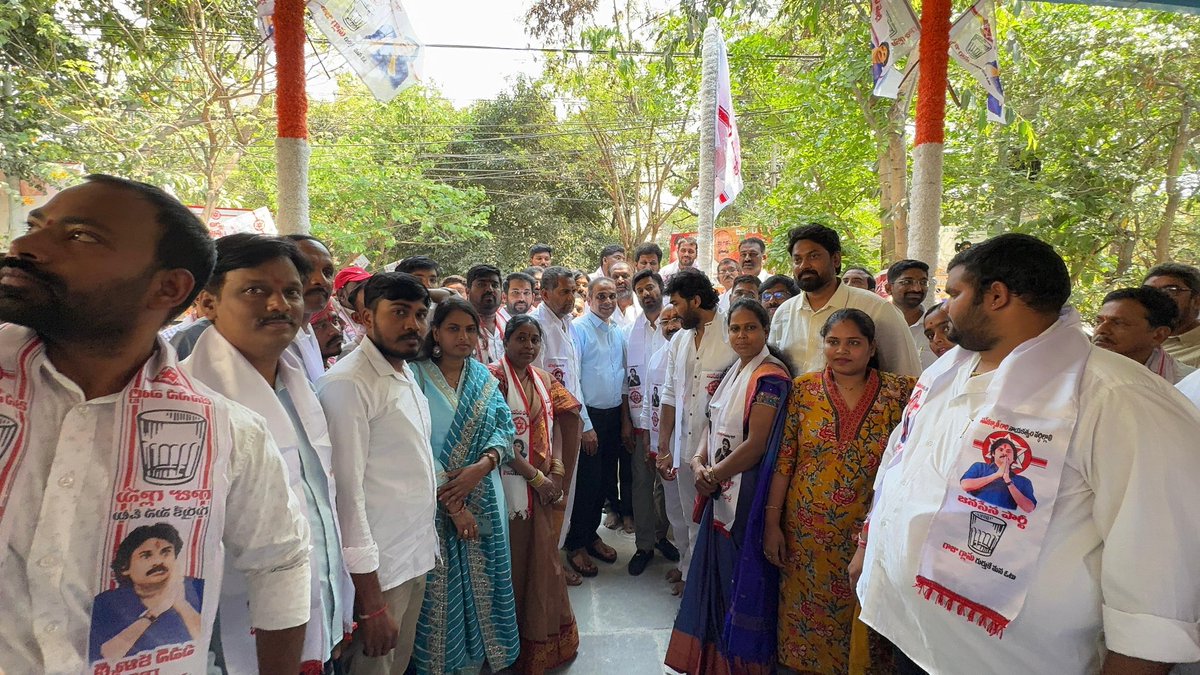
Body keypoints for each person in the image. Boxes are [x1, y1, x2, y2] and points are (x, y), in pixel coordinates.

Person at [0, 174, 311, 674]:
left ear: (169, 287)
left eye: (80, 235)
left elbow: (281, 564)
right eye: (35, 225)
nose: (24, 245)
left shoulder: (224, 428)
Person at [856, 233, 1200, 674]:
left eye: (955, 293)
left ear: (996, 296)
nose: (945, 308)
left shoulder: (1117, 398)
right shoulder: (948, 369)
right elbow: (900, 463)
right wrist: (871, 550)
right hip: (913, 637)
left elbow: (1158, 574)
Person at [183, 233, 354, 672]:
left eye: (290, 292)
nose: (279, 305)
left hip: (317, 608)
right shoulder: (186, 400)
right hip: (232, 634)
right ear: (207, 303)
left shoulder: (299, 383)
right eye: (255, 291)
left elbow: (322, 502)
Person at [760, 308, 917, 673]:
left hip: (868, 532)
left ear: (872, 346)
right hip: (805, 532)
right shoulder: (803, 390)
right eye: (833, 342)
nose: (842, 350)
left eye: (853, 343)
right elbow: (785, 461)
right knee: (804, 619)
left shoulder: (901, 393)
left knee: (865, 621)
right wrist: (772, 524)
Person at [317, 272, 437, 675]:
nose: (413, 325)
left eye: (420, 314)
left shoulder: (403, 374)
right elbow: (345, 497)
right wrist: (370, 602)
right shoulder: (348, 384)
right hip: (378, 574)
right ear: (366, 317)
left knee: (396, 666)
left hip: (412, 555)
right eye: (399, 312)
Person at [664, 300, 793, 675]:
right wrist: (700, 462)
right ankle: (714, 659)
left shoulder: (770, 377)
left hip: (747, 492)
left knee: (739, 575)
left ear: (766, 332)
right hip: (719, 484)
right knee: (717, 572)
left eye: (750, 328)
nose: (741, 335)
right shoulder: (733, 371)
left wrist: (713, 473)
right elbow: (711, 420)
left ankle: (739, 663)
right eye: (735, 329)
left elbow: (756, 443)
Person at [409, 297, 519, 675]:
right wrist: (453, 498)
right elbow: (415, 443)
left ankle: (483, 656)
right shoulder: (415, 376)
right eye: (454, 328)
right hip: (435, 500)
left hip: (486, 494)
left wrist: (483, 465)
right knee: (441, 587)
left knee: (486, 576)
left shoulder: (484, 378)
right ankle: (445, 662)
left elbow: (506, 427)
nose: (464, 337)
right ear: (435, 332)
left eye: (470, 329)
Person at [489, 314, 584, 674]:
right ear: (506, 341)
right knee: (512, 566)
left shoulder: (543, 379)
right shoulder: (491, 379)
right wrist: (536, 479)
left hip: (541, 490)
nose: (528, 347)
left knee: (544, 564)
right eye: (521, 339)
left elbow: (567, 416)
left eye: (534, 340)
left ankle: (542, 643)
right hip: (504, 493)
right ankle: (508, 647)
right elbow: (495, 437)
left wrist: (556, 472)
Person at [655, 269, 738, 584]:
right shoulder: (680, 339)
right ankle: (693, 583)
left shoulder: (732, 332)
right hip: (685, 449)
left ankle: (716, 586)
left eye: (677, 304)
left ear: (696, 300)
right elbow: (670, 395)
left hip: (722, 451)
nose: (673, 313)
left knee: (722, 521)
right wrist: (664, 448)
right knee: (691, 518)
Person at [769, 224, 920, 376]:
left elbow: (906, 376)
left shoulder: (876, 309)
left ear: (835, 259)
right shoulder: (784, 312)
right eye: (797, 259)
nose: (804, 265)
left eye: (813, 256)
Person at [528, 266, 591, 584]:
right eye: (564, 292)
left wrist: (585, 423)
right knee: (549, 493)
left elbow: (574, 381)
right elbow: (536, 384)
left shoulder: (568, 324)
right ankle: (546, 561)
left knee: (567, 492)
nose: (572, 297)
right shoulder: (535, 327)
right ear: (545, 293)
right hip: (546, 429)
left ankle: (555, 553)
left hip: (571, 423)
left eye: (574, 291)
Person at [564, 276, 629, 575]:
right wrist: (585, 425)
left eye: (611, 296)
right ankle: (575, 544)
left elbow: (624, 378)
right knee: (586, 485)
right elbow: (572, 380)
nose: (606, 302)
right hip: (589, 417)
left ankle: (591, 535)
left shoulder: (618, 331)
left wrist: (624, 421)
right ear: (588, 299)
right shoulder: (578, 331)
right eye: (600, 296)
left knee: (604, 482)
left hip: (613, 417)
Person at [625, 270, 680, 576]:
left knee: (668, 486)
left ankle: (662, 537)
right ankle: (644, 544)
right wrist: (628, 423)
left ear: (661, 289)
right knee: (643, 485)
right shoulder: (631, 329)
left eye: (650, 287)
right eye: (640, 290)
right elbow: (628, 380)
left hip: (672, 424)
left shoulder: (676, 323)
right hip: (640, 421)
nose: (646, 294)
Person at [89, 523, 204, 663]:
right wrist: (154, 613)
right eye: (146, 556)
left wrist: (181, 603)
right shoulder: (107, 602)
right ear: (125, 567)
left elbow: (204, 646)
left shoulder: (196, 587)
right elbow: (104, 658)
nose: (158, 561)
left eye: (166, 552)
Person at [1093, 286, 1194, 383]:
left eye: (1118, 323)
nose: (1101, 329)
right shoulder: (1081, 367)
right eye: (1099, 321)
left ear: (1158, 335)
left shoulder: (1185, 385)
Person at [284, 234, 337, 382]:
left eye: (327, 272)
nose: (321, 280)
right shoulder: (273, 344)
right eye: (306, 270)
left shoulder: (306, 332)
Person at [1143, 263, 1200, 368]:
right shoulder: (1131, 337)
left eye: (1171, 290)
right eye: (1148, 291)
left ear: (1196, 301)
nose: (1156, 298)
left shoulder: (1196, 352)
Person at [885, 259, 937, 369]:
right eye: (907, 282)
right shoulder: (878, 324)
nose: (917, 289)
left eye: (923, 282)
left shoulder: (938, 327)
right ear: (889, 288)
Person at [466, 264, 505, 365]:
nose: (489, 289)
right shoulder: (458, 325)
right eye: (481, 284)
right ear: (467, 291)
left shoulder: (509, 324)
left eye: (495, 285)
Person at [334, 266, 372, 348]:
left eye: (368, 284)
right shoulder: (335, 319)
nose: (367, 290)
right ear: (341, 295)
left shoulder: (375, 309)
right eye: (359, 286)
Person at [609, 260, 640, 328]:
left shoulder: (643, 306)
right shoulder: (603, 308)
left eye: (625, 276)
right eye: (615, 277)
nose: (620, 280)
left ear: (633, 279)